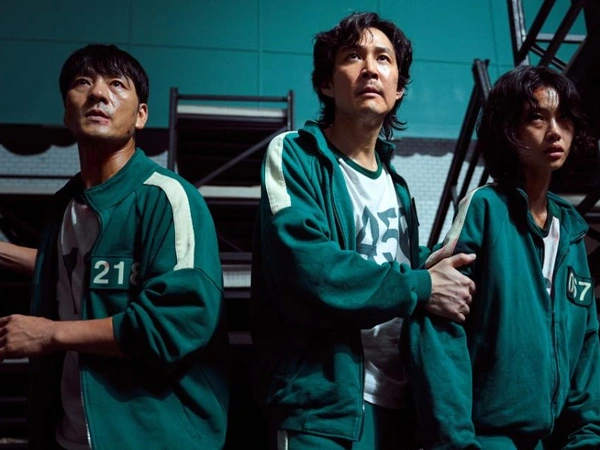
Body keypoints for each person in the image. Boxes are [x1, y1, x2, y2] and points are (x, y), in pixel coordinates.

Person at [250, 12, 476, 450]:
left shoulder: (399, 188)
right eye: (354, 56)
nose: (371, 68)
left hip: (399, 406)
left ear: (399, 88)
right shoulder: (295, 154)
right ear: (326, 83)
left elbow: (405, 281)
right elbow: (308, 271)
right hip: (320, 409)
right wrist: (423, 284)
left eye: (383, 58)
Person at [0, 44, 229, 449]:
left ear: (141, 115)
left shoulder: (167, 198)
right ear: (66, 113)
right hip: (72, 435)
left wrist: (51, 334)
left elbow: (176, 323)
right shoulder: (64, 207)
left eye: (117, 84)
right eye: (82, 82)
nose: (98, 93)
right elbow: (75, 271)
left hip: (155, 438)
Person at [409, 65, 600, 449]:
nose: (555, 131)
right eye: (537, 118)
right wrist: (456, 442)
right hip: (485, 437)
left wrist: (587, 437)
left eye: (563, 118)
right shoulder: (485, 209)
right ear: (509, 131)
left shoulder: (573, 231)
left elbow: (586, 347)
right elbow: (440, 326)